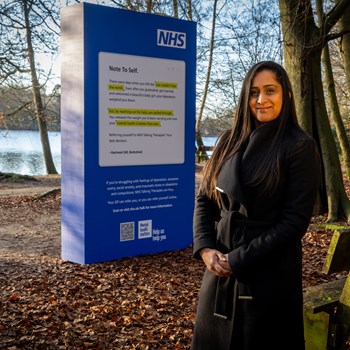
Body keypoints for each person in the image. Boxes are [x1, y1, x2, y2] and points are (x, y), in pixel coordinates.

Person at [191, 61, 321, 350]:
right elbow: (205, 199)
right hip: (219, 271)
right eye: (253, 92)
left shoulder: (299, 145)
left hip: (268, 274)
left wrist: (237, 260)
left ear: (285, 93)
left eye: (269, 90)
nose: (261, 100)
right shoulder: (228, 140)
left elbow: (294, 222)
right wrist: (205, 248)